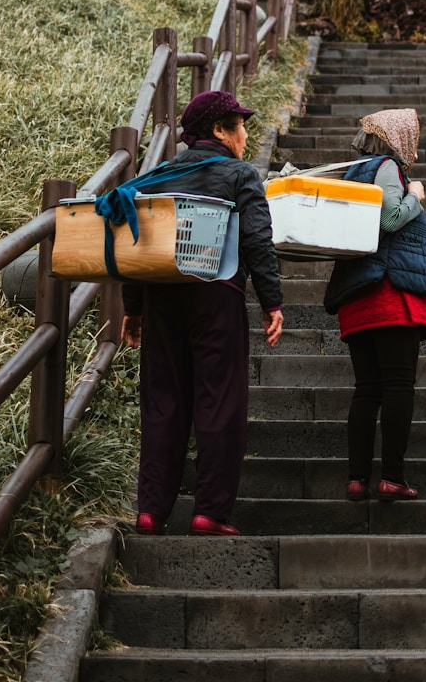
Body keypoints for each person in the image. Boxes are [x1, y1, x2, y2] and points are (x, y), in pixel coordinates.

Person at [120, 90, 283, 536]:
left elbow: (137, 244)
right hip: (217, 295)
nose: (246, 135)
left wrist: (133, 309)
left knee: (162, 404)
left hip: (160, 298)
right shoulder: (239, 174)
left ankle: (151, 511)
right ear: (219, 131)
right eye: (240, 126)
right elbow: (257, 240)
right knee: (219, 402)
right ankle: (209, 512)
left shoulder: (155, 177)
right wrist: (272, 301)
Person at [323, 108, 426, 501]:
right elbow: (390, 219)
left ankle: (357, 478)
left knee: (366, 390)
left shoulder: (354, 171)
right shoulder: (388, 167)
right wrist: (415, 195)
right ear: (398, 139)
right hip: (391, 294)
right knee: (397, 387)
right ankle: (392, 476)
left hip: (357, 295)